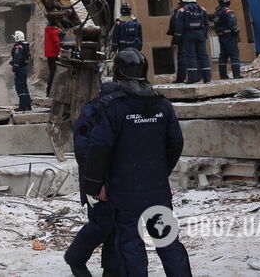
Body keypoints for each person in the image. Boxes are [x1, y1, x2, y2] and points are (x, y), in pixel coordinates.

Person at [80, 49, 192, 277]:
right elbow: (176, 143)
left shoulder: (114, 107)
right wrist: (160, 171)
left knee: (131, 245)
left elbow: (99, 149)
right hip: (157, 189)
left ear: (117, 74)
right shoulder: (163, 105)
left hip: (125, 191)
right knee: (168, 241)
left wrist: (93, 185)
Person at [65, 80, 124, 277]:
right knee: (102, 223)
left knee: (116, 225)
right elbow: (84, 152)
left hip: (116, 179)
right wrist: (98, 183)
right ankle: (75, 258)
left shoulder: (117, 113)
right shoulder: (91, 115)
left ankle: (112, 269)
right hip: (96, 181)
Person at [173, 0, 210, 84]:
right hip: (201, 34)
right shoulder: (202, 9)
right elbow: (206, 23)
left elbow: (179, 26)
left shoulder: (182, 10)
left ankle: (192, 79)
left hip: (188, 35)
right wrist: (205, 34)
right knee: (203, 56)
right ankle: (207, 78)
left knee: (191, 56)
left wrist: (177, 37)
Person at [212, 0, 241, 79]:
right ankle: (237, 74)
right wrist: (236, 33)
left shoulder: (217, 12)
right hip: (230, 37)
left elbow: (215, 25)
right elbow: (232, 24)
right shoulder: (228, 11)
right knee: (234, 55)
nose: (229, 0)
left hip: (221, 37)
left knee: (223, 56)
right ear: (225, 0)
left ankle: (223, 75)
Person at [10, 30, 32, 111]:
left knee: (19, 87)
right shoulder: (25, 45)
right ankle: (28, 105)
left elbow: (18, 58)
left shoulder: (18, 47)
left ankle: (22, 106)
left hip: (20, 69)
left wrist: (14, 67)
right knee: (24, 87)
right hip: (24, 68)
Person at [167, 0, 187, 82]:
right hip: (193, 37)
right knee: (195, 56)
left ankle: (181, 78)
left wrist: (174, 35)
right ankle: (196, 76)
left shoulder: (178, 11)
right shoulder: (196, 8)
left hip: (181, 38)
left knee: (182, 58)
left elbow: (172, 25)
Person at [44, 23, 61, 97]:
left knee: (51, 74)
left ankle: (49, 93)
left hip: (49, 55)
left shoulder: (48, 31)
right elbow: (57, 43)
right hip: (55, 55)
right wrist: (59, 53)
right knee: (55, 75)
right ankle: (52, 94)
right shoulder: (54, 31)